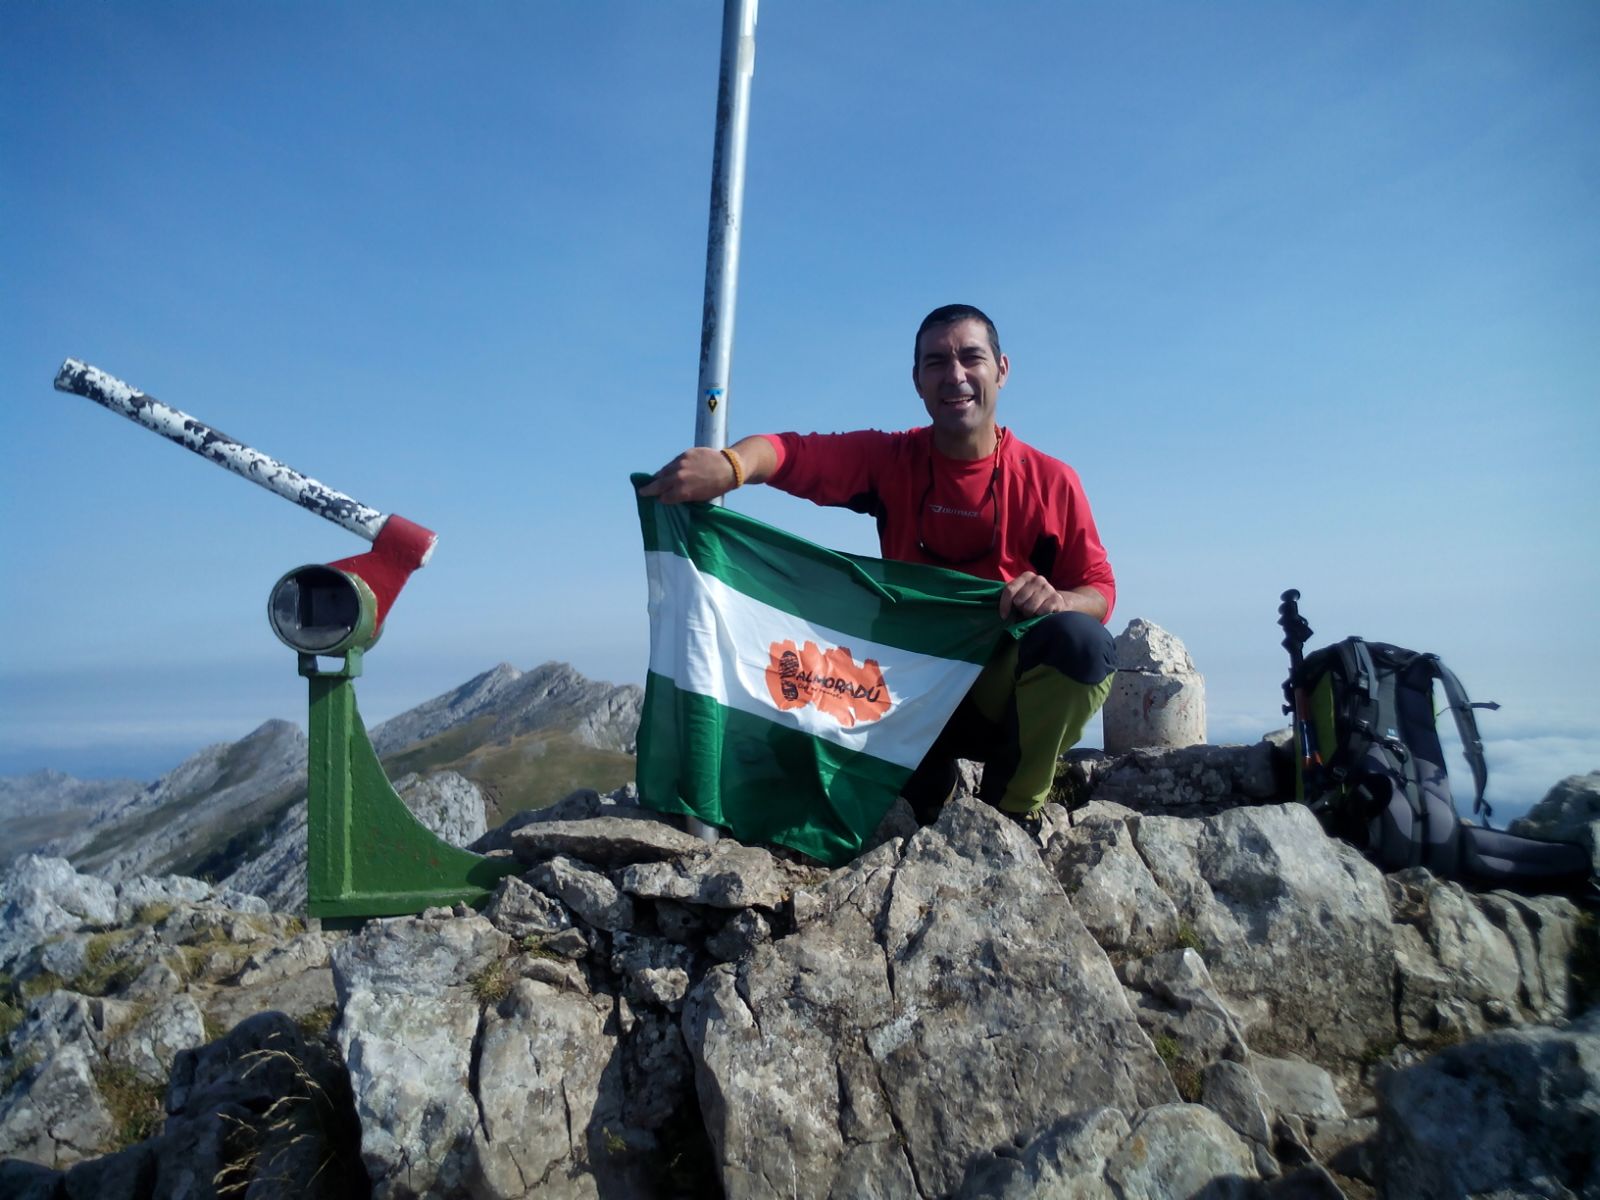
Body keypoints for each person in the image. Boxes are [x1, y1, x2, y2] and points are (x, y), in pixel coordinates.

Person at [640, 303, 1116, 826]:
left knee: (1081, 645)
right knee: (861, 801)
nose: (955, 375)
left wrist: (1059, 600)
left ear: (1001, 369)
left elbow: (1098, 589)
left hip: (996, 697)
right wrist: (731, 466)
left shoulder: (1050, 481)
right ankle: (922, 783)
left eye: (971, 358)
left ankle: (1010, 809)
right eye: (936, 362)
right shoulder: (891, 460)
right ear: (917, 381)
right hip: (902, 692)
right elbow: (792, 454)